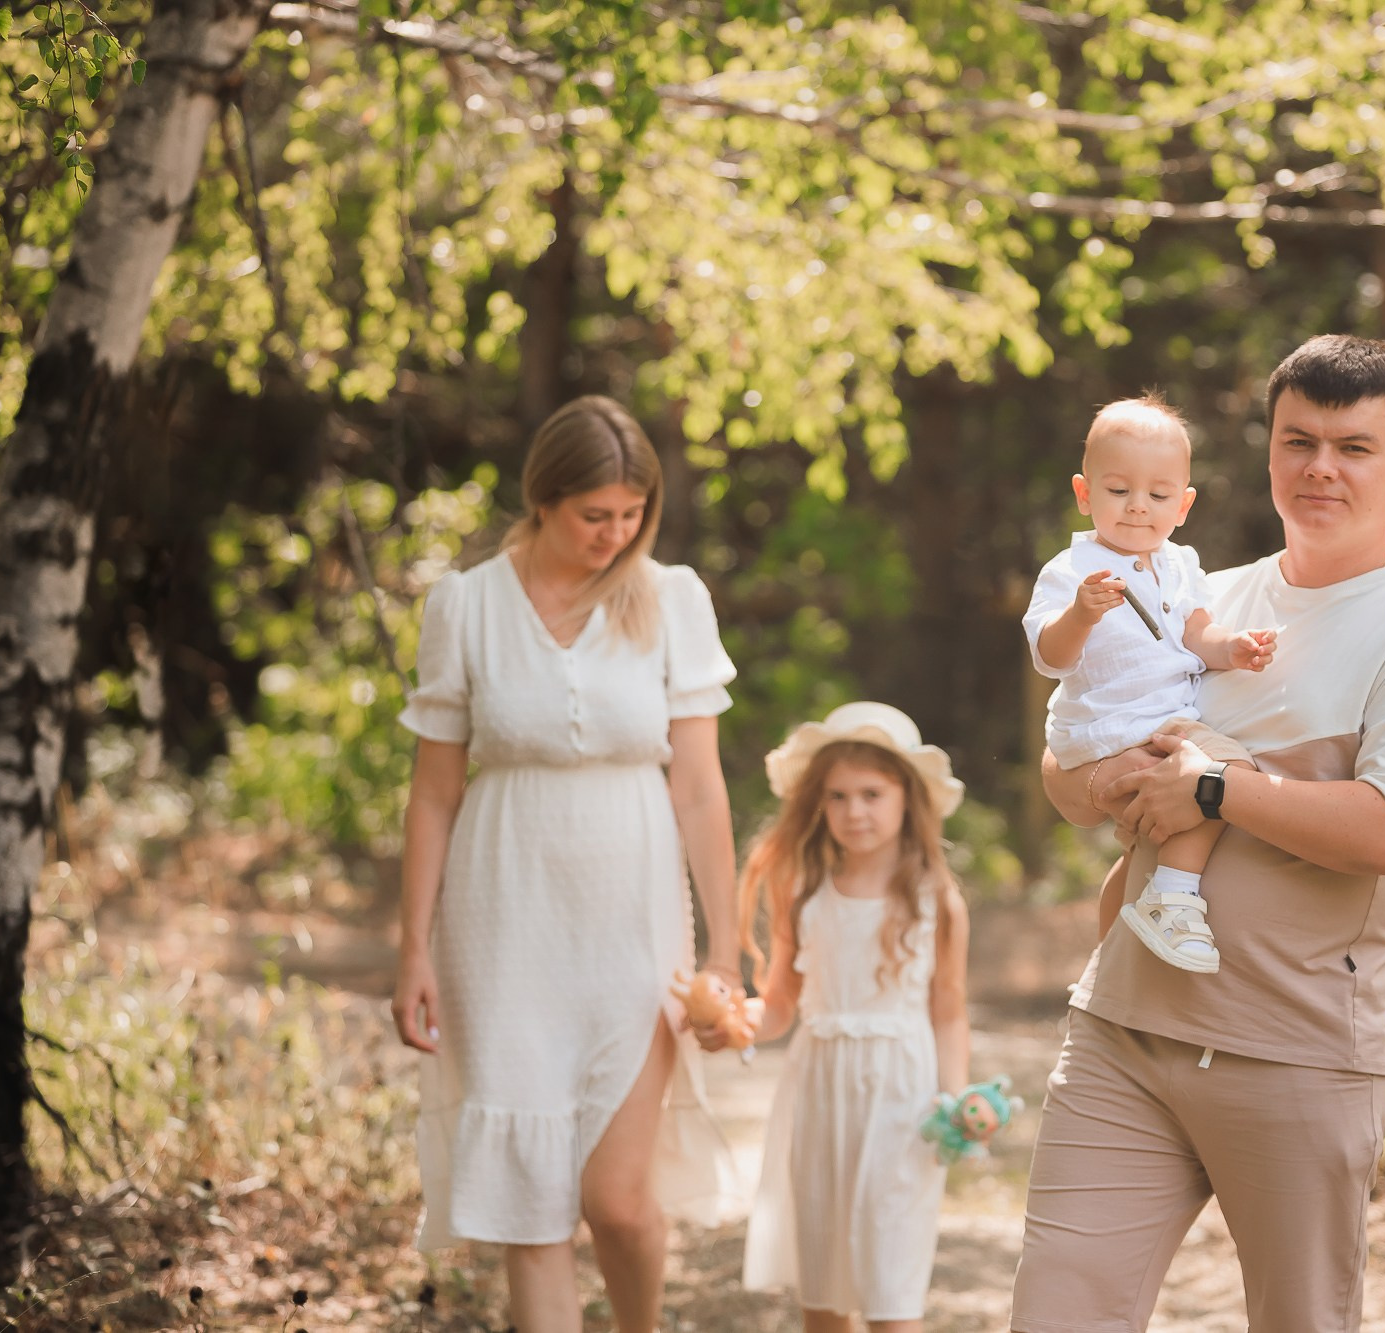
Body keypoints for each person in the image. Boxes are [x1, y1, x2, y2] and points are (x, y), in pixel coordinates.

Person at [1011, 336, 1385, 1333]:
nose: (1321, 467)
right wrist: (1105, 776)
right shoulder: (1190, 594)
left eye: (1353, 447)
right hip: (1125, 1034)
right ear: (1269, 450)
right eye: (1298, 440)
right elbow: (1067, 776)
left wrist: (1214, 788)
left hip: (1293, 1055)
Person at [391, 395, 746, 1333]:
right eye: (596, 515)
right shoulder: (466, 604)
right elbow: (432, 792)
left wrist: (730, 951)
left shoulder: (671, 599)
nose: (615, 534)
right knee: (532, 1214)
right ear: (543, 498)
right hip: (501, 924)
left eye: (633, 516)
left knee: (618, 1199)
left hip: (633, 923)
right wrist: (412, 950)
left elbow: (703, 790)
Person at [736, 701, 974, 1333]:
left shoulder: (936, 900)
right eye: (837, 796)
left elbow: (948, 1011)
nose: (855, 811)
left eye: (872, 793)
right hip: (818, 1089)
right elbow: (780, 1003)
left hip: (902, 1096)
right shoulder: (805, 892)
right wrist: (738, 1020)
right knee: (824, 1287)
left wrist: (957, 1096)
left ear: (906, 798)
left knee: (890, 1286)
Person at [1023, 395, 1277, 974]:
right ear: (1084, 493)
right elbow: (1050, 657)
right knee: (1202, 787)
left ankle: (1155, 907)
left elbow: (1196, 632)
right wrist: (1081, 615)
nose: (1138, 508)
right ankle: (1171, 897)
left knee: (1223, 778)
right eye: (1118, 491)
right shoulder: (1070, 572)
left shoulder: (1182, 565)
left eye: (1158, 496)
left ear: (1183, 504)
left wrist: (1230, 649)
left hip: (1171, 724)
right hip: (1106, 732)